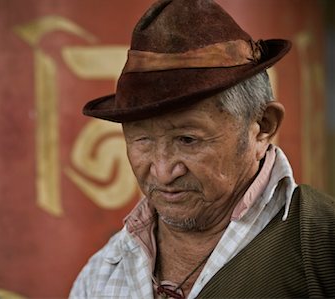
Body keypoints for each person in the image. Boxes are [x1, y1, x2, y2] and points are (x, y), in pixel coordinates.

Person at [69, 0, 335, 298]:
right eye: (142, 140)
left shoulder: (322, 246)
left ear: (262, 126)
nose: (163, 171)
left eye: (187, 140)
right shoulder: (102, 273)